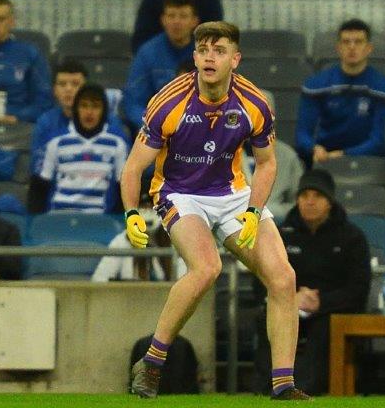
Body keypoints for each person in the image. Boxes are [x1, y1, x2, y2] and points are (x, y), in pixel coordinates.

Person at [121, 21, 309, 400]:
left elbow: (268, 163)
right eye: (203, 49)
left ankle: (284, 385)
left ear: (235, 59)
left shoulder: (254, 103)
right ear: (194, 57)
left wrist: (255, 210)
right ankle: (152, 362)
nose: (210, 56)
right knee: (207, 268)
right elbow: (132, 168)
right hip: (178, 192)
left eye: (219, 50)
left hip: (231, 191)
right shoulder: (168, 101)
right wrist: (130, 213)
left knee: (284, 278)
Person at [252, 168, 371, 396]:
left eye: (318, 196)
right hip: (287, 304)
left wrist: (320, 303)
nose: (310, 202)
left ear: (330, 201)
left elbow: (358, 288)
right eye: (304, 196)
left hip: (330, 309)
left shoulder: (352, 237)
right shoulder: (281, 234)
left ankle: (308, 388)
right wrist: (290, 299)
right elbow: (261, 278)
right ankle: (264, 387)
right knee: (267, 317)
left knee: (323, 327)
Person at [297, 18, 385, 166]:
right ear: (338, 47)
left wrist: (344, 154)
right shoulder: (316, 85)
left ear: (369, 48)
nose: (352, 47)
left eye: (358, 42)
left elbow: (380, 141)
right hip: (324, 158)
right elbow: (302, 134)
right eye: (346, 42)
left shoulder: (383, 88)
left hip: (368, 161)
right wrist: (314, 148)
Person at [29, 84, 129, 214]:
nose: (89, 112)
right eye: (84, 106)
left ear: (104, 110)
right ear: (76, 109)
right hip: (58, 218)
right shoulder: (56, 141)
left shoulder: (117, 143)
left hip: (100, 222)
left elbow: (123, 188)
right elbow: (39, 187)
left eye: (96, 106)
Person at [123, 0, 199, 132]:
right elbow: (133, 103)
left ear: (194, 21)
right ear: (163, 20)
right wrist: (156, 126)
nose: (176, 22)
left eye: (183, 16)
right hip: (157, 132)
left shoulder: (207, 53)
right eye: (171, 16)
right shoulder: (147, 53)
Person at [92, 190, 187, 282]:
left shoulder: (174, 241)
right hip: (130, 296)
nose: (148, 212)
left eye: (152, 207)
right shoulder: (122, 241)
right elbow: (100, 279)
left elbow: (184, 279)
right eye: (142, 207)